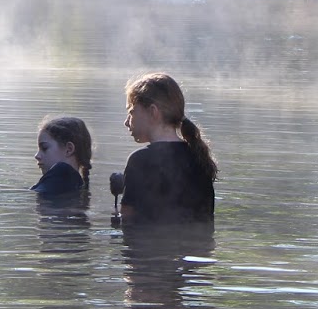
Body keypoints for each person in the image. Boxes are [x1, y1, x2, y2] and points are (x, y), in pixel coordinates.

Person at [108, 72, 217, 224]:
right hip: (197, 246)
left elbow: (128, 222)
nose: (126, 122)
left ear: (153, 112)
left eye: (132, 112)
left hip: (151, 247)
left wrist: (116, 214)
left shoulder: (140, 161)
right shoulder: (200, 157)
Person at [30, 115, 92, 199]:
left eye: (44, 148)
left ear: (69, 149)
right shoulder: (77, 185)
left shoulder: (61, 172)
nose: (37, 156)